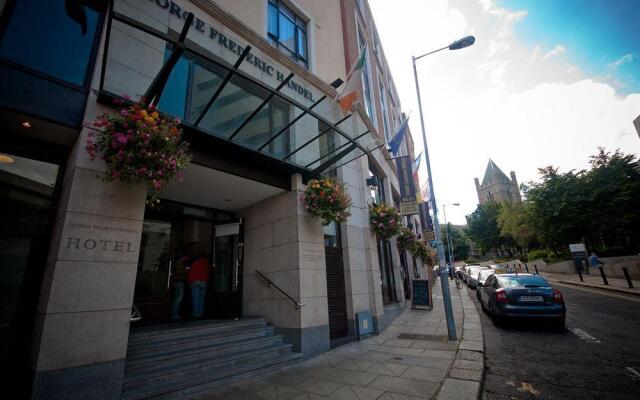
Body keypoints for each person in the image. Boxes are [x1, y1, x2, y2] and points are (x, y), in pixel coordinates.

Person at [170, 245, 192, 320]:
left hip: (178, 282)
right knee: (178, 299)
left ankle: (175, 314)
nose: (187, 259)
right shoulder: (179, 263)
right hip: (179, 282)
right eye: (187, 257)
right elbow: (180, 272)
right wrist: (187, 270)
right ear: (184, 257)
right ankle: (174, 314)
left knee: (178, 298)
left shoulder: (179, 263)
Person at [188, 252, 210, 319]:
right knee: (201, 299)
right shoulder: (207, 264)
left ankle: (195, 313)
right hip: (204, 282)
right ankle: (200, 313)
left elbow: (190, 273)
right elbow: (208, 272)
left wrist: (189, 282)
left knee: (196, 298)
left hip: (195, 281)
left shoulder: (195, 263)